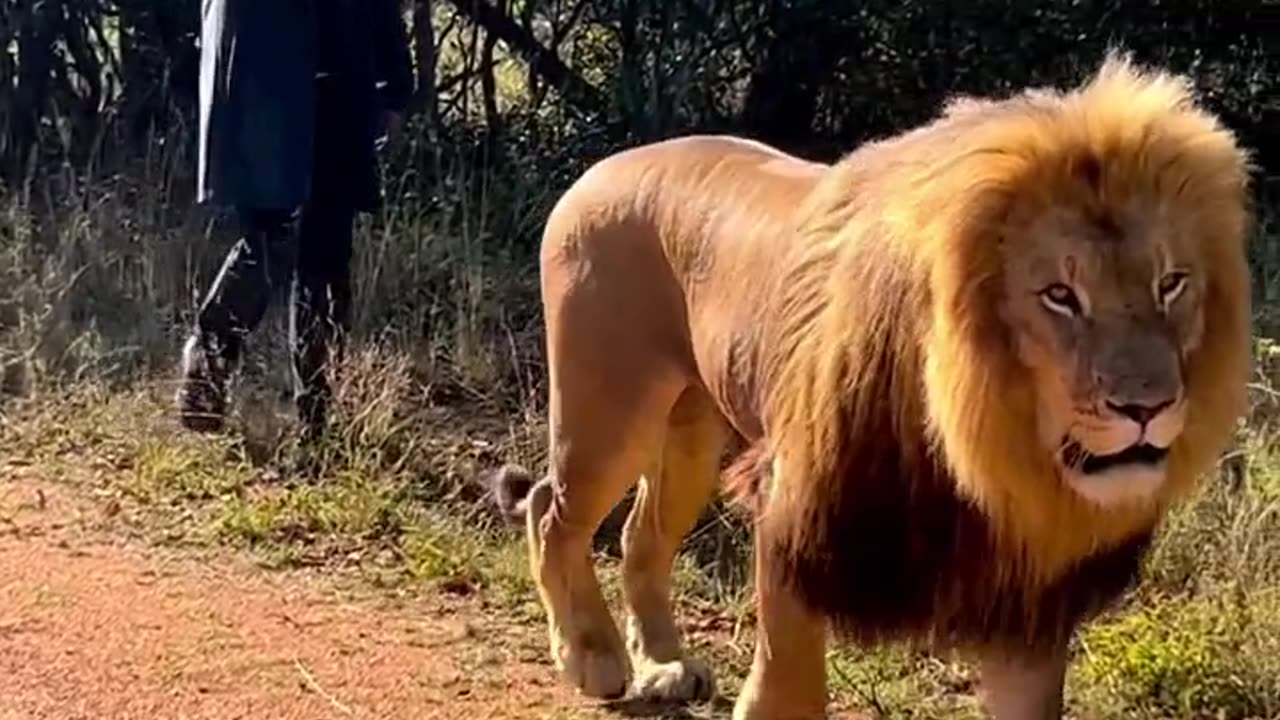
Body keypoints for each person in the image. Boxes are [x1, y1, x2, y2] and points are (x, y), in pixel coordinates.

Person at [177, 0, 413, 459]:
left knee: (325, 248)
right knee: (272, 231)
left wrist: (393, 84)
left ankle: (318, 419)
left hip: (334, 74)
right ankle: (209, 361)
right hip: (266, 69)